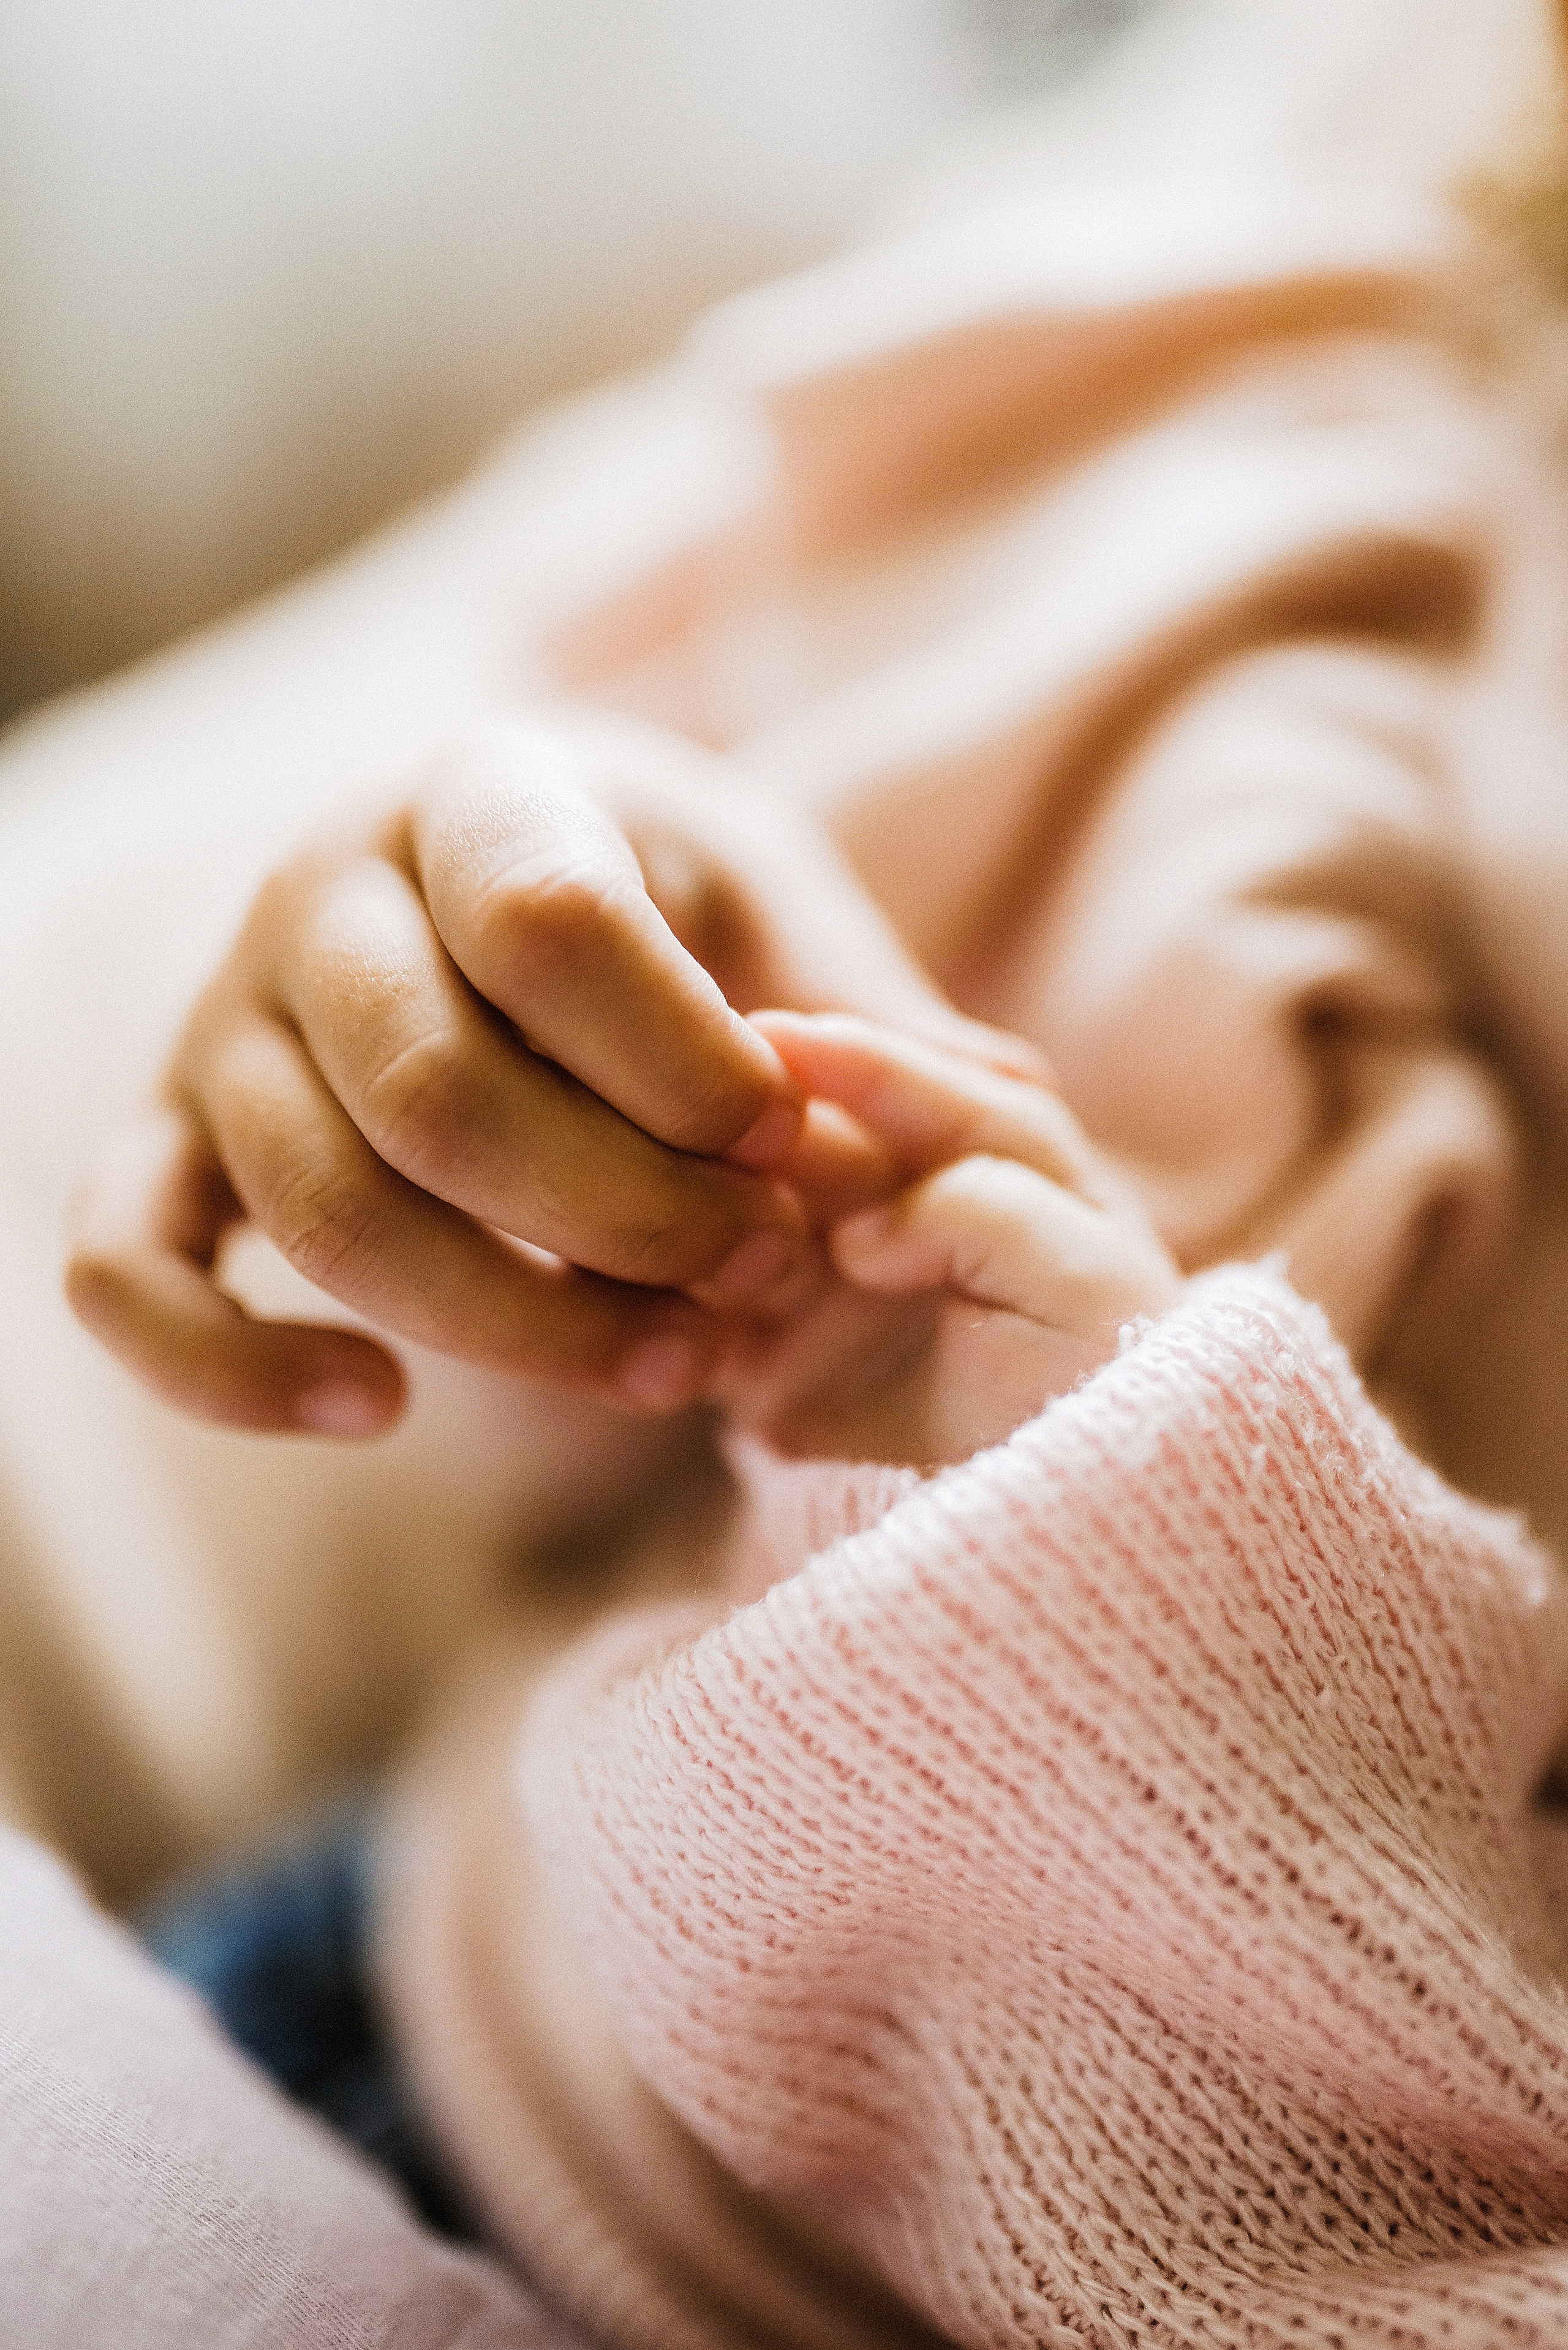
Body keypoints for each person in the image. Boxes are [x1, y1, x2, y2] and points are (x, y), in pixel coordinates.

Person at [12, 9, 1568, 2341]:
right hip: (408, 1974)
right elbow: (558, 1396)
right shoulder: (1257, 451)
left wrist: (1145, 1631)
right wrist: (509, 1016)